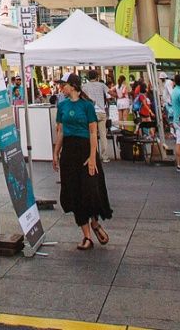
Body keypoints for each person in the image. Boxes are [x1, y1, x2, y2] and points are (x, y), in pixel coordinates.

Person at [52, 74, 112, 250]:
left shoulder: (87, 106)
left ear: (72, 86)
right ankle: (86, 236)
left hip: (85, 150)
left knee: (89, 190)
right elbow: (61, 131)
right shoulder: (62, 105)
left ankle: (94, 222)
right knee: (73, 192)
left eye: (63, 84)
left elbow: (93, 133)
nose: (61, 87)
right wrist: (56, 153)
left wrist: (93, 157)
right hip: (69, 152)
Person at [83, 68, 112, 161]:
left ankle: (93, 155)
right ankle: (105, 156)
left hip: (90, 112)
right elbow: (109, 95)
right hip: (101, 111)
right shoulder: (102, 85)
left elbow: (82, 98)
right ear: (97, 77)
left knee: (92, 134)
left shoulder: (85, 86)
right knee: (103, 135)